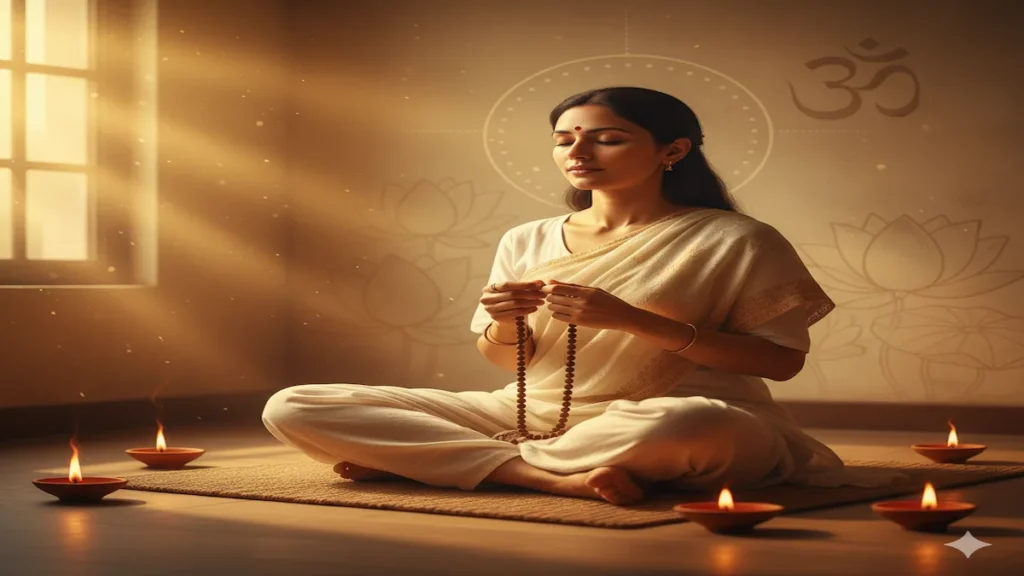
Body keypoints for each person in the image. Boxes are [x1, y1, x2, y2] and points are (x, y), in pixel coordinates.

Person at [263, 86, 901, 506]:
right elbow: (500, 360)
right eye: (565, 138)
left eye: (606, 137)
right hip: (526, 414)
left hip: (661, 417)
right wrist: (503, 324)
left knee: (692, 425)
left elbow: (780, 361)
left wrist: (633, 321)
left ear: (671, 151)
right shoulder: (529, 237)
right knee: (293, 405)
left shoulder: (735, 239)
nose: (578, 151)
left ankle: (431, 462)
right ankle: (535, 474)